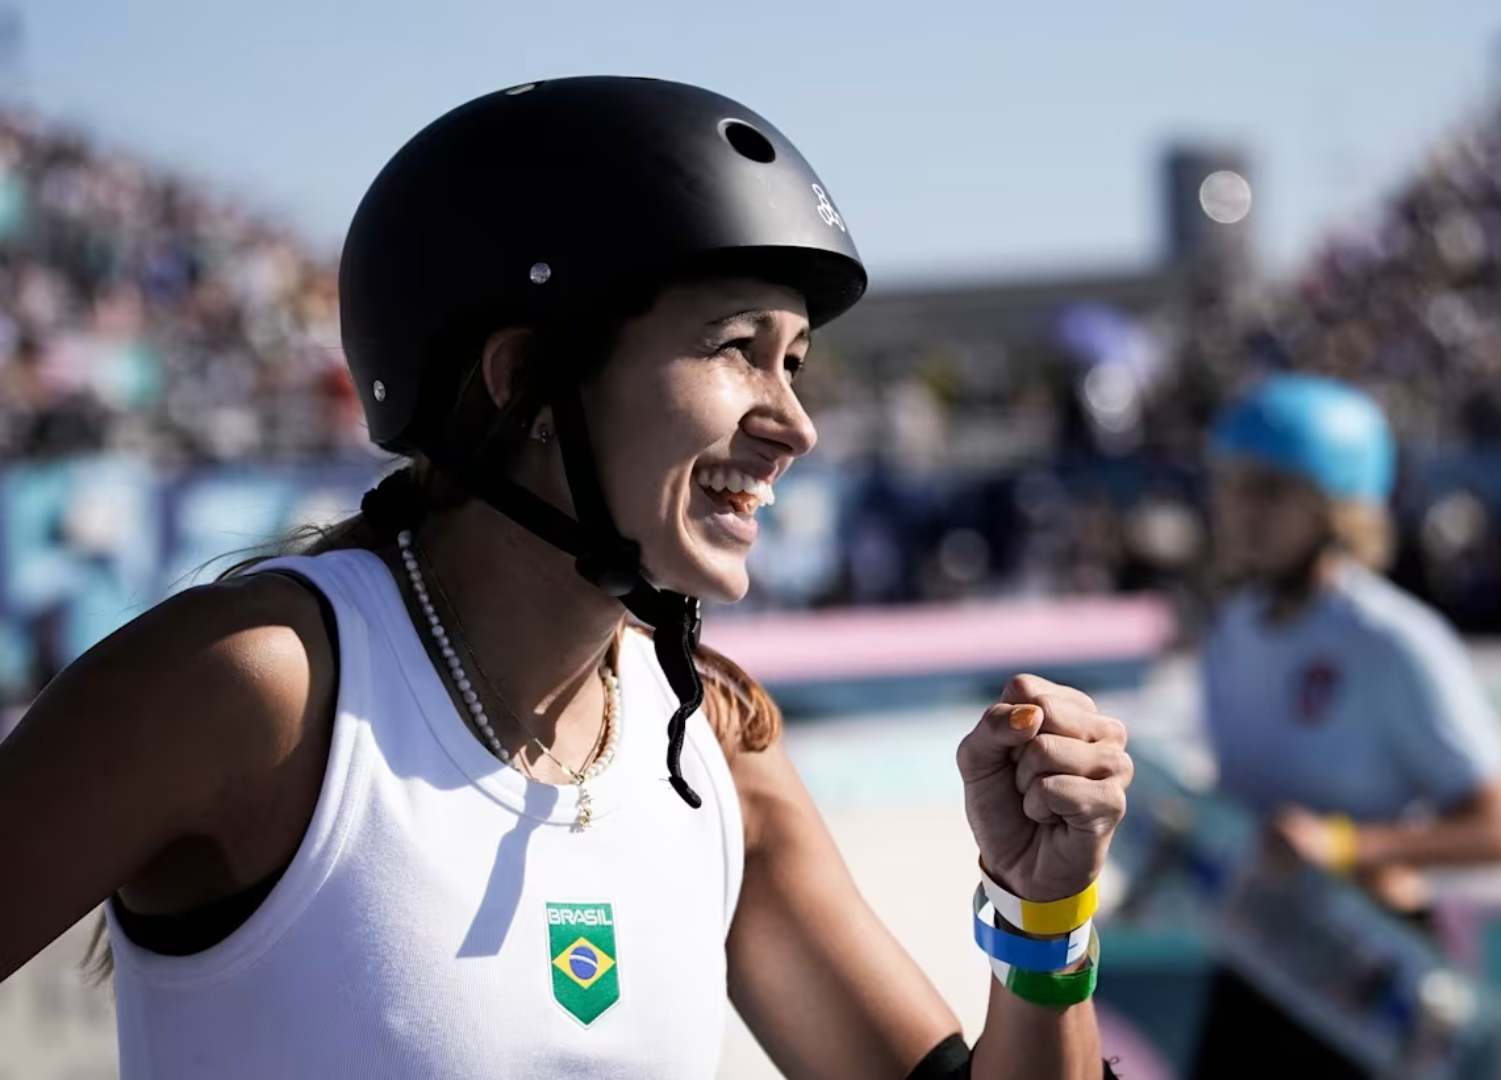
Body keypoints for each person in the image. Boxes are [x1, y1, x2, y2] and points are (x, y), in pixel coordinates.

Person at [0, 77, 1132, 1079]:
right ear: (524, 381)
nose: (796, 424)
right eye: (737, 346)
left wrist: (1044, 913)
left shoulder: (718, 751)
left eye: (796, 364)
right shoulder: (257, 687)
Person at [1190, 374, 1501, 1076]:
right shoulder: (1229, 633)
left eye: (1271, 489)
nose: (1241, 510)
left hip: (1371, 974)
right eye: (1231, 483)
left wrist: (1340, 845)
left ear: (1336, 508)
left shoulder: (1393, 639)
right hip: (1259, 959)